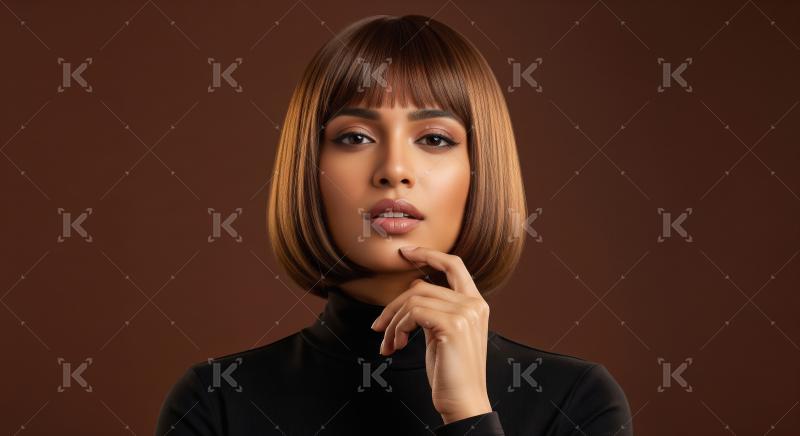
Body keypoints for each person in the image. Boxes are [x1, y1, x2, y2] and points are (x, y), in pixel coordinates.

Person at [155, 14, 633, 436]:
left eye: (434, 138)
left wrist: (468, 413)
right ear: (310, 169)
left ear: (479, 170)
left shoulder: (575, 401)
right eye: (356, 136)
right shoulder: (217, 400)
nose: (394, 169)